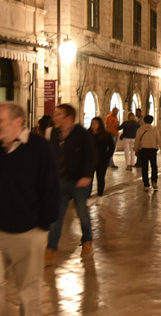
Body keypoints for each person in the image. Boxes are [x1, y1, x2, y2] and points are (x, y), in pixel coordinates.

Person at [0, 103, 59, 315]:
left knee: (29, 293)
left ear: (18, 122)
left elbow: (52, 187)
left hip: (29, 232)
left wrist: (42, 227)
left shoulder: (39, 148)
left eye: (1, 121)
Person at [46, 104, 98, 263]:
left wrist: (87, 176)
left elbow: (92, 155)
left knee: (82, 213)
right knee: (56, 216)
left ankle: (87, 242)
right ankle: (51, 249)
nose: (54, 117)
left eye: (58, 114)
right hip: (60, 182)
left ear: (68, 117)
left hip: (79, 182)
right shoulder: (54, 134)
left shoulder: (81, 133)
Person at [134, 115, 161, 191]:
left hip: (143, 150)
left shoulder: (140, 129)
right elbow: (159, 140)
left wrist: (136, 149)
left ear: (144, 121)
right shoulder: (154, 129)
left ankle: (146, 185)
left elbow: (137, 140)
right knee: (154, 166)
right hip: (152, 150)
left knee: (144, 167)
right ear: (152, 121)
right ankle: (154, 182)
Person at [89, 117, 115, 205]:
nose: (93, 125)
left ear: (100, 124)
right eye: (92, 123)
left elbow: (112, 146)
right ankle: (88, 197)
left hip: (102, 160)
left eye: (95, 123)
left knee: (100, 178)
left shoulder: (105, 134)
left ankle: (100, 196)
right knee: (89, 179)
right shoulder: (88, 133)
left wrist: (108, 156)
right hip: (91, 160)